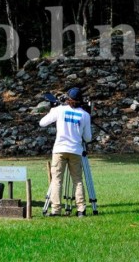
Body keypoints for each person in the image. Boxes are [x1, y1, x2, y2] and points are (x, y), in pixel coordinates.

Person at [39, 87, 92, 217]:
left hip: (59, 149)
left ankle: (56, 210)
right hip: (76, 150)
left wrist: (52, 109)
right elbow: (87, 138)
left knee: (56, 180)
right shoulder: (85, 115)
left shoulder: (59, 110)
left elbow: (42, 123)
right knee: (78, 180)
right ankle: (81, 209)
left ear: (68, 99)